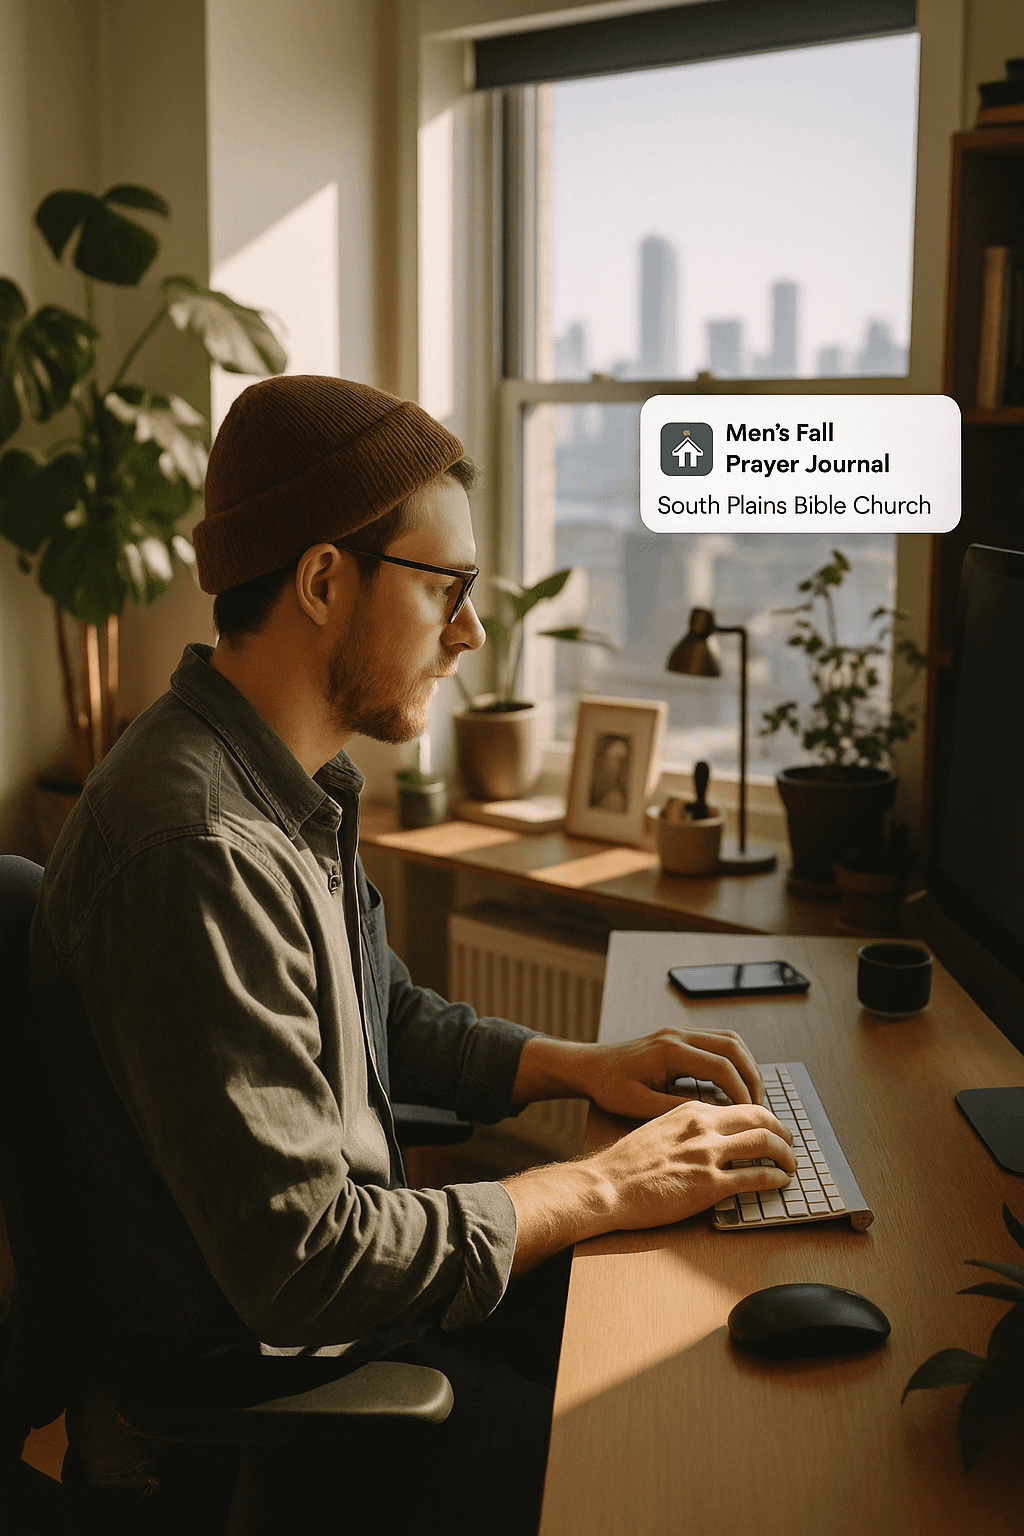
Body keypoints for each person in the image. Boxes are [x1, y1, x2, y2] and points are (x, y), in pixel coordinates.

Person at [28, 376, 795, 1533]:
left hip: (352, 1311)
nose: (472, 631)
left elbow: (371, 1008)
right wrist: (594, 1181)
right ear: (325, 580)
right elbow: (301, 1260)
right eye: (447, 585)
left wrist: (569, 1065)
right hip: (268, 1388)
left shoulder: (283, 786)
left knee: (692, 1324)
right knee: (672, 1467)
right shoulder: (197, 848)